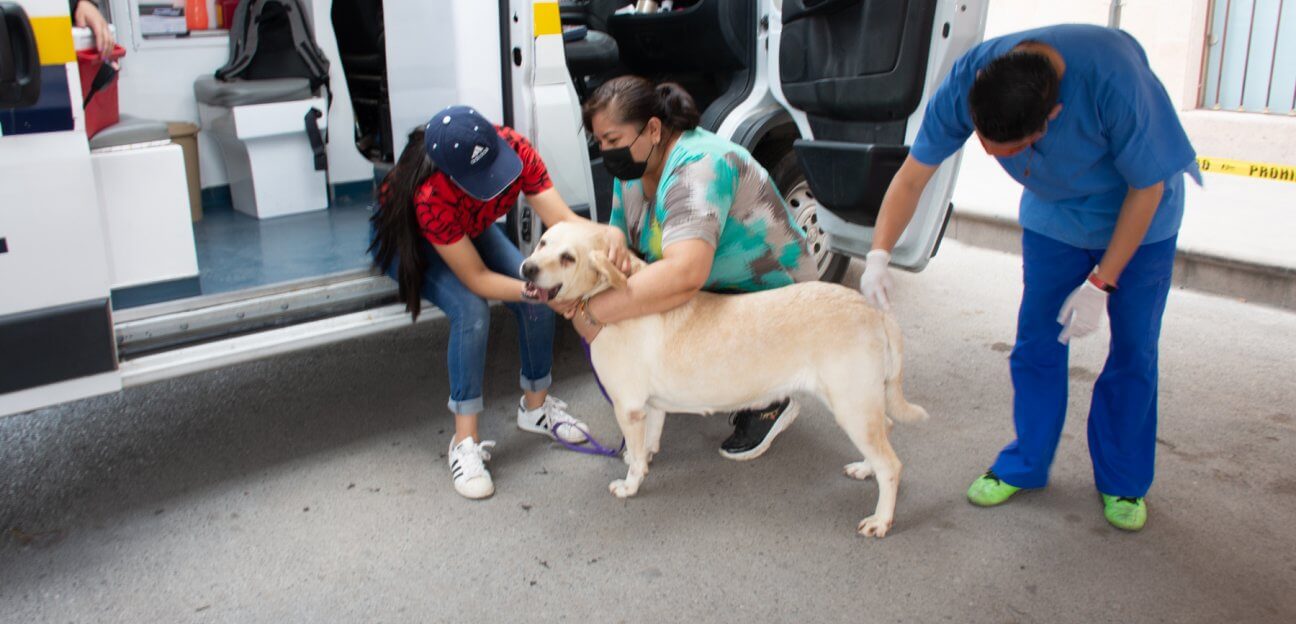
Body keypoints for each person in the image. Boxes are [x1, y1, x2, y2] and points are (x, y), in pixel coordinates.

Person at [860, 24, 1199, 531]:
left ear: (1051, 120)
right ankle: (1026, 462)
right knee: (1036, 343)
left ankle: (1124, 481)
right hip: (1056, 220)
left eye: (1010, 150)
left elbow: (1146, 189)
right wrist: (878, 255)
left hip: (1139, 221)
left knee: (1134, 351)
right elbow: (913, 175)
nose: (997, 158)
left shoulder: (1115, 82)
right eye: (986, 145)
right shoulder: (971, 80)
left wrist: (1101, 283)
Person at [369, 105, 629, 500]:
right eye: (483, 179)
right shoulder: (430, 195)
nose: (498, 182)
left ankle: (535, 408)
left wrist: (612, 234)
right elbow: (477, 278)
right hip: (412, 238)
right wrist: (540, 292)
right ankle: (464, 443)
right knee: (471, 310)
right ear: (453, 176)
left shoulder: (516, 150)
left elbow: (562, 220)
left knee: (534, 300)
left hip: (466, 226)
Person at [569, 76, 815, 461]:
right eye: (599, 142)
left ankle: (771, 398)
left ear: (653, 129)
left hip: (770, 295)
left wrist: (592, 311)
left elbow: (685, 275)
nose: (606, 151)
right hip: (714, 286)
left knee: (627, 309)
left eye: (613, 141)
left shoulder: (698, 168)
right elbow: (620, 228)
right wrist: (613, 239)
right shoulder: (635, 166)